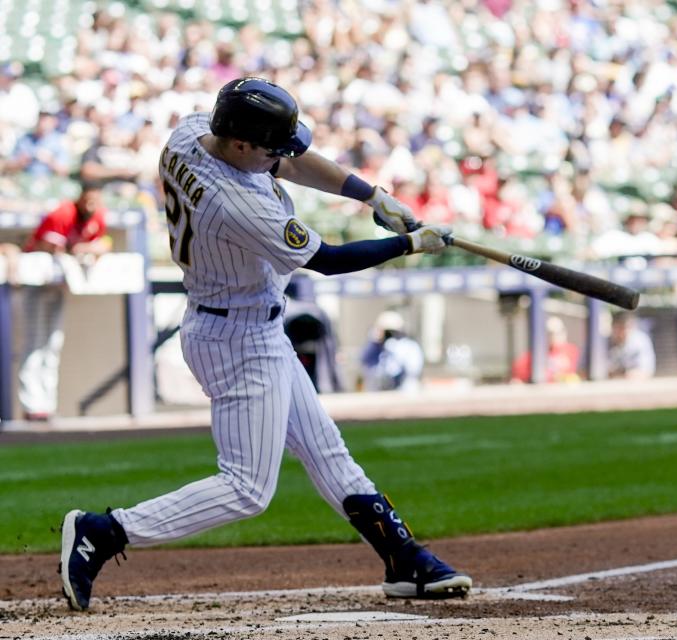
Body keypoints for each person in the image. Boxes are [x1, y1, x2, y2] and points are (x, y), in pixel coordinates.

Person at [59, 77, 470, 612]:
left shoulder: (190, 134)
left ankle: (403, 560)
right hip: (235, 338)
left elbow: (291, 162)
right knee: (247, 488)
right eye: (270, 146)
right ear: (240, 144)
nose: (280, 154)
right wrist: (409, 243)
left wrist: (371, 194)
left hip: (251, 325)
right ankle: (104, 531)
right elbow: (329, 261)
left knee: (327, 453)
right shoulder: (236, 205)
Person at [19, 182, 111, 421]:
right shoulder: (63, 213)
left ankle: (47, 404)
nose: (92, 207)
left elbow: (103, 243)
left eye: (96, 202)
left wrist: (88, 248)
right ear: (80, 198)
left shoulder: (97, 216)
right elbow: (47, 245)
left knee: (53, 344)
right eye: (88, 201)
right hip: (37, 283)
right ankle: (31, 406)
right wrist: (76, 249)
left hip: (60, 286)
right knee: (35, 343)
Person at [360, 310, 425, 392]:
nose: (389, 335)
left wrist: (395, 351)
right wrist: (374, 342)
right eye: (386, 332)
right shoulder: (376, 348)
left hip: (403, 391)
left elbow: (414, 369)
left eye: (392, 332)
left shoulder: (409, 346)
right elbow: (365, 361)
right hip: (380, 392)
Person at [510, 315, 580, 383]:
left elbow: (570, 373)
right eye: (550, 333)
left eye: (558, 332)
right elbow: (518, 373)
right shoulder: (537, 352)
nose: (554, 336)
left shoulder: (571, 350)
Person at [606, 311, 656, 380]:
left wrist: (621, 374)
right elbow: (593, 372)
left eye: (625, 328)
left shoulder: (640, 341)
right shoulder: (602, 343)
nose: (621, 333)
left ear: (632, 326)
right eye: (618, 328)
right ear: (612, 327)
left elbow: (646, 372)